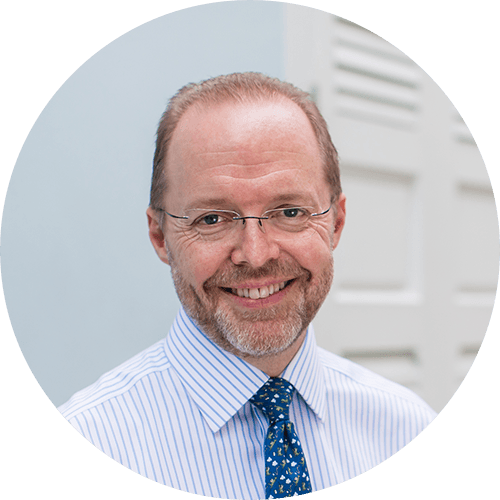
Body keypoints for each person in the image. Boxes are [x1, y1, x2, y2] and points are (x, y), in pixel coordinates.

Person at [59, 72, 437, 498]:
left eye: (290, 212)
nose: (256, 255)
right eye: (212, 219)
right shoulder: (96, 436)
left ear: (336, 223)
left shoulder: (404, 427)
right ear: (160, 236)